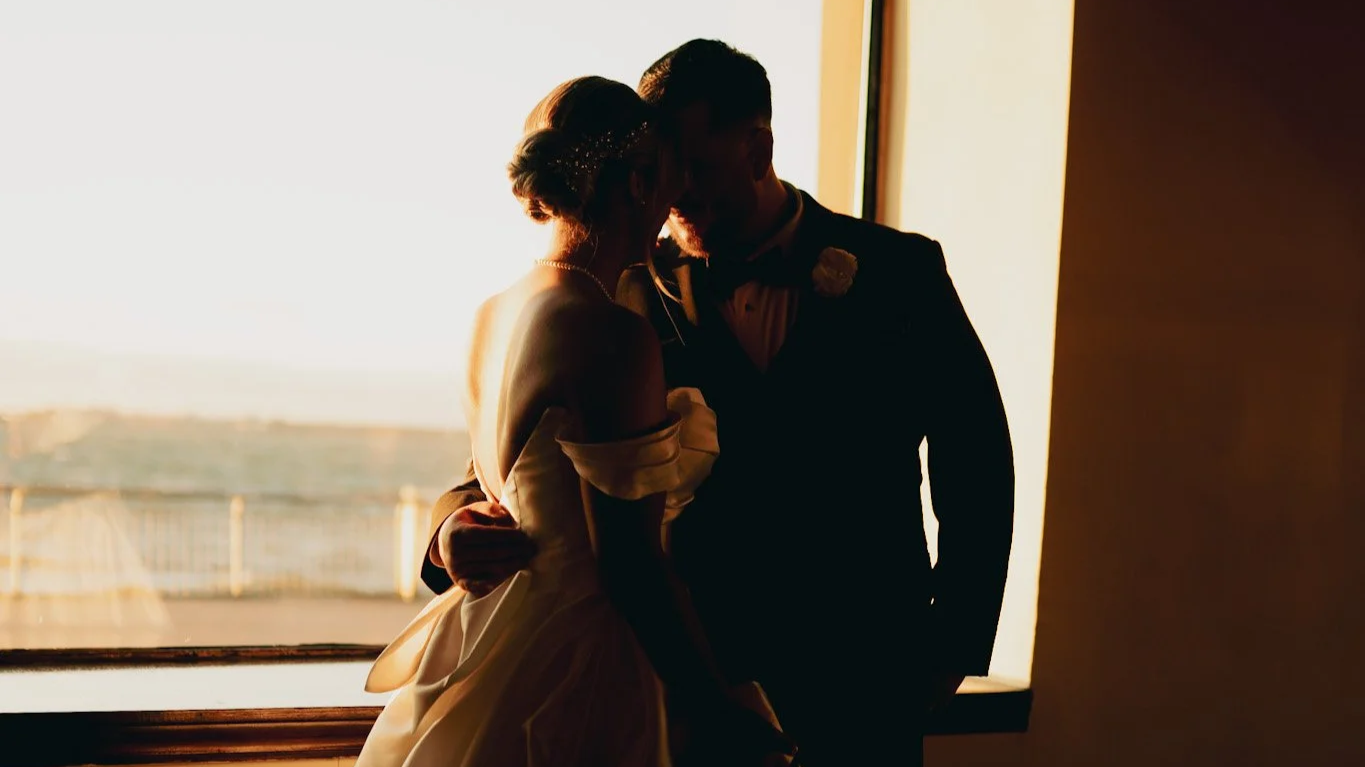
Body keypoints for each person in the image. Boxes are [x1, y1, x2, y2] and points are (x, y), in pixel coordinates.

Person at [428, 40, 1015, 766]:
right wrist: (449, 528)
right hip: (691, 671)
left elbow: (975, 457)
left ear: (758, 147)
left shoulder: (899, 272)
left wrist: (952, 641)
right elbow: (515, 451)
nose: (673, 192)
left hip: (867, 665)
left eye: (695, 168)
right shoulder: (619, 289)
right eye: (661, 169)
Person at [356, 75, 791, 767]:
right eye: (669, 178)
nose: (675, 202)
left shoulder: (491, 314)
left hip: (497, 630)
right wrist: (715, 713)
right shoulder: (609, 330)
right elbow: (629, 564)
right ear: (639, 183)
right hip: (588, 650)